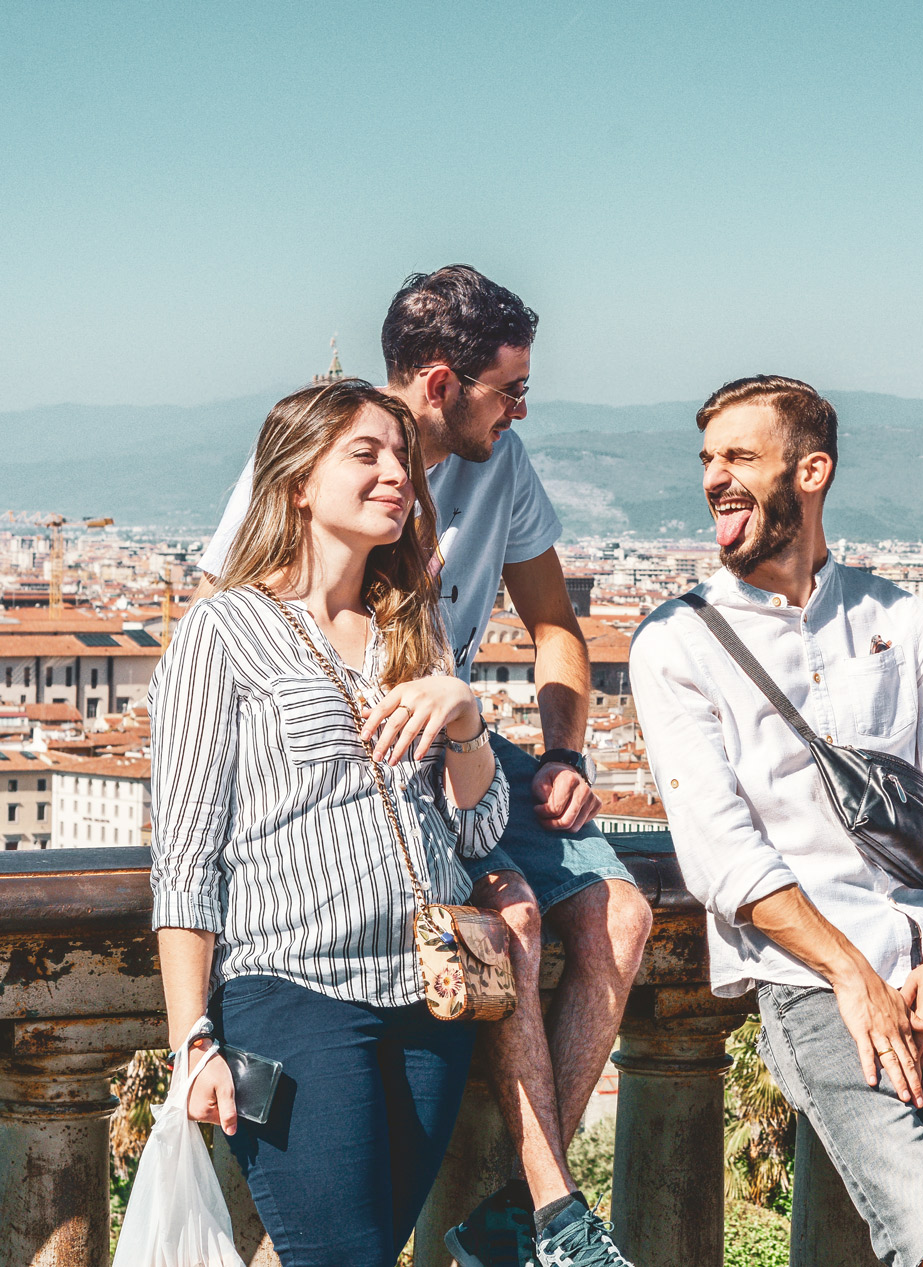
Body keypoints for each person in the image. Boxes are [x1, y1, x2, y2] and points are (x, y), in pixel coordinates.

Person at [196, 268, 650, 1266]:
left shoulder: (505, 464)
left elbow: (556, 629)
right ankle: (550, 1221)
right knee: (514, 919)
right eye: (509, 391)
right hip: (354, 798)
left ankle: (537, 1204)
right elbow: (241, 654)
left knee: (621, 911)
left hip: (463, 739)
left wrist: (566, 750)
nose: (521, 410)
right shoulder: (319, 463)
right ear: (441, 384)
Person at [629, 376, 923, 1267]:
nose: (714, 478)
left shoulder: (906, 621)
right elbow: (723, 855)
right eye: (707, 460)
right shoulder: (675, 643)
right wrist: (850, 972)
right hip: (817, 986)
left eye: (739, 457)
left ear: (811, 470)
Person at [151, 379, 509, 1265]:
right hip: (292, 997)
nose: (399, 473)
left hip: (431, 1000)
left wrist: (462, 714)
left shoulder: (410, 628)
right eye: (367, 453)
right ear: (299, 481)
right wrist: (192, 1038)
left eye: (401, 456)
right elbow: (187, 856)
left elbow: (477, 828)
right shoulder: (223, 631)